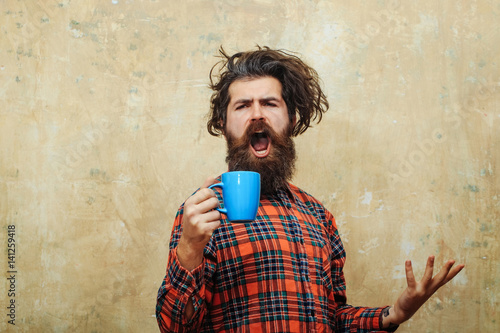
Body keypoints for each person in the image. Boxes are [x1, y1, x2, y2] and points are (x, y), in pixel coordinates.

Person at [156, 46, 465, 332]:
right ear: (224, 123)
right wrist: (189, 248)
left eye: (269, 103)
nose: (257, 114)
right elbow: (175, 327)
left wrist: (394, 313)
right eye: (242, 106)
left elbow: (332, 317)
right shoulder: (201, 213)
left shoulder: (317, 215)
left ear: (291, 118)